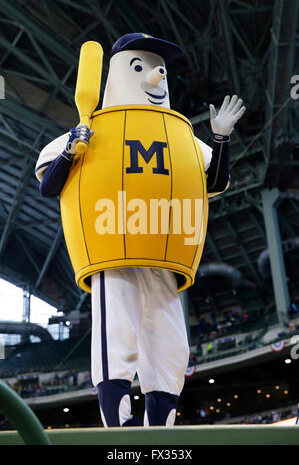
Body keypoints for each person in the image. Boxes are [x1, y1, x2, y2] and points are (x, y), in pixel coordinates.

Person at [35, 33, 245, 427]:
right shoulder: (91, 129)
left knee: (169, 348)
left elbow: (213, 183)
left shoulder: (181, 135)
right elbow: (49, 186)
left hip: (163, 255)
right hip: (113, 244)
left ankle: (159, 431)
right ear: (118, 73)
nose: (155, 78)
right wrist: (70, 151)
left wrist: (221, 138)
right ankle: (118, 429)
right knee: (117, 337)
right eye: (141, 67)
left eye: (161, 70)